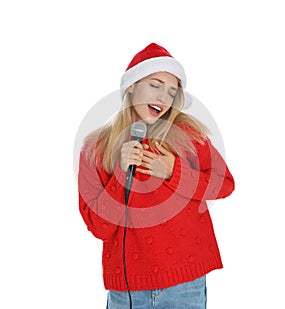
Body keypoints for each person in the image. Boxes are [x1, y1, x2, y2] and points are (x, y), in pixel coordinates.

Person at [78, 43, 235, 308]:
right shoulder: (96, 149)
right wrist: (120, 172)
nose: (163, 97)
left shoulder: (190, 137)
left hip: (185, 285)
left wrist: (174, 171)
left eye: (172, 91)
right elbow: (99, 227)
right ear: (131, 86)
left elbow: (226, 185)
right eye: (155, 85)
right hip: (127, 288)